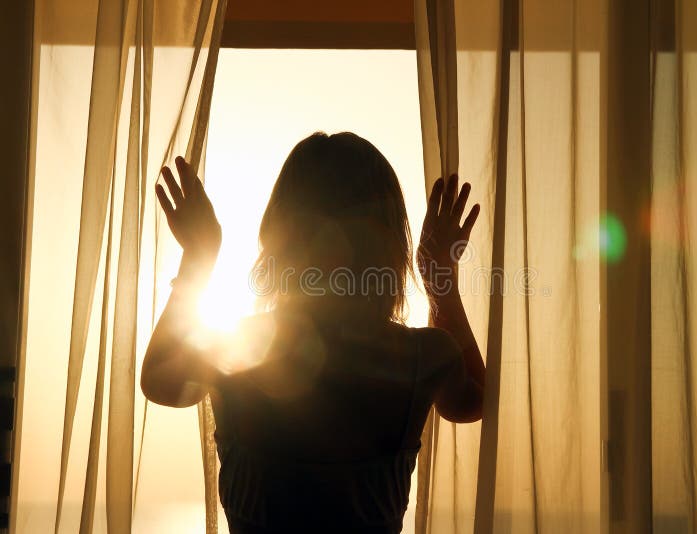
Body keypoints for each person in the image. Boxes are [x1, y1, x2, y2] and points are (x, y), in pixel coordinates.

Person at [141, 132, 485, 533]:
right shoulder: (424, 357)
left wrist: (198, 257)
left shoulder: (234, 347)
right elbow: (472, 400)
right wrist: (438, 277)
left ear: (280, 235)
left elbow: (159, 381)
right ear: (392, 243)